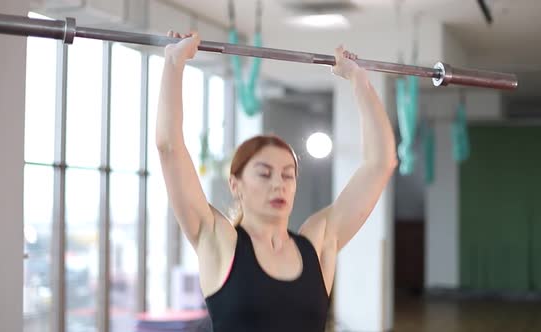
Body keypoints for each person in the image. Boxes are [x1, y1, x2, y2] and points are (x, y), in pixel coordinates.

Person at [156, 30, 397, 332]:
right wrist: (174, 63)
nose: (278, 184)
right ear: (235, 184)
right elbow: (169, 147)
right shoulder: (218, 240)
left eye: (287, 175)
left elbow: (381, 163)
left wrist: (359, 81)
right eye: (264, 173)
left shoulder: (318, 242)